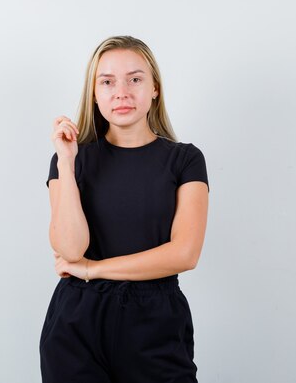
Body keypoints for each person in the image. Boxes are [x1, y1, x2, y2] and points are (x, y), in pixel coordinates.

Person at [39, 35, 209, 383]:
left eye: (135, 79)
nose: (122, 92)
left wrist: (93, 269)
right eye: (107, 81)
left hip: (155, 321)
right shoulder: (71, 160)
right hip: (77, 325)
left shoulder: (185, 160)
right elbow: (70, 249)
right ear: (94, 92)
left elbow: (185, 254)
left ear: (155, 88)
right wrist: (68, 164)